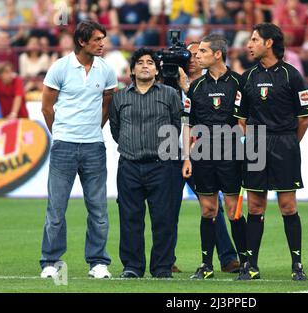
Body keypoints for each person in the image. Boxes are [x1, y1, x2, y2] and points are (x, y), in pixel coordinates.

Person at [39, 21, 117, 279]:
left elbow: (107, 105)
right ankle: (50, 261)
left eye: (103, 39)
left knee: (98, 209)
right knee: (56, 209)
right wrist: (61, 134)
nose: (102, 44)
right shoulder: (59, 68)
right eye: (97, 40)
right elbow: (47, 108)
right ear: (82, 42)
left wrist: (93, 130)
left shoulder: (106, 70)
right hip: (64, 147)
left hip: (94, 146)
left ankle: (98, 262)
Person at [234, 23, 308, 281]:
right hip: (256, 143)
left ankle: (297, 264)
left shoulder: (293, 76)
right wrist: (254, 142)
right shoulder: (247, 77)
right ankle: (251, 265)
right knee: (255, 206)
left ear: (269, 43)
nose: (249, 44)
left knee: (288, 206)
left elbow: (304, 118)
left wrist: (289, 142)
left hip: (284, 143)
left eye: (254, 39)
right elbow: (241, 119)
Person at [109, 48, 183, 279]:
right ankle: (132, 266)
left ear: (157, 69)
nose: (145, 66)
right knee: (130, 218)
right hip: (129, 165)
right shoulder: (120, 97)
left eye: (150, 62)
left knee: (164, 218)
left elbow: (176, 125)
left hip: (162, 165)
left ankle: (162, 268)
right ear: (132, 70)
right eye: (139, 62)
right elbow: (115, 129)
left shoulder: (170, 94)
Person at [180, 34, 248, 279]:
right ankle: (206, 265)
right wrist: (187, 158)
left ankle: (246, 263)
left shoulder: (240, 83)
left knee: (233, 211)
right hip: (203, 156)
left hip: (231, 155)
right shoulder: (196, 87)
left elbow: (246, 123)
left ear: (218, 54)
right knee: (208, 209)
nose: (196, 56)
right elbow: (189, 125)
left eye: (202, 52)